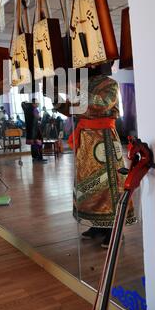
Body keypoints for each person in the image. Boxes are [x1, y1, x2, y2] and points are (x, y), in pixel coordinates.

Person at [53, 64, 136, 248]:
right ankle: (97, 225)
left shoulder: (110, 84)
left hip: (104, 139)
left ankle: (114, 230)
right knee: (87, 184)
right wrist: (55, 99)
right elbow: (72, 110)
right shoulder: (82, 85)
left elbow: (102, 103)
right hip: (86, 140)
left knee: (108, 183)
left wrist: (73, 90)